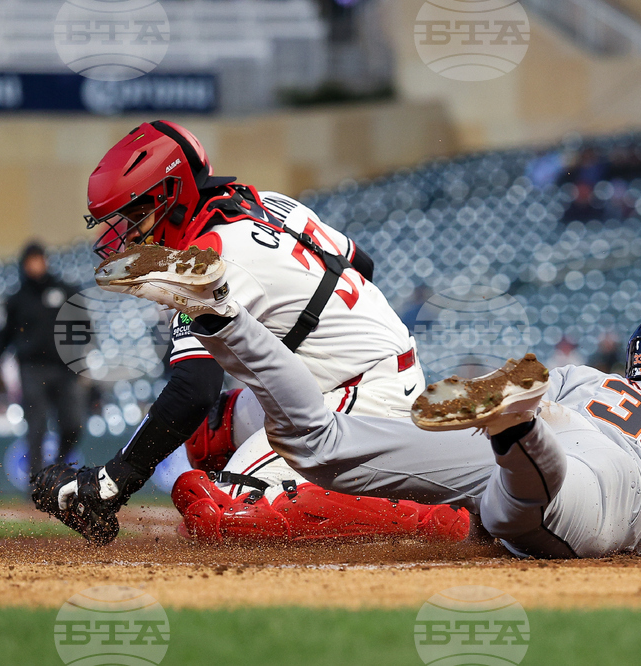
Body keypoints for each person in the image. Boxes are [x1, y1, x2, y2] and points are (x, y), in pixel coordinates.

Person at [83, 244, 641, 557]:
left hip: (528, 430)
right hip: (590, 501)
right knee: (544, 500)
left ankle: (220, 313)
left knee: (323, 444)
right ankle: (510, 425)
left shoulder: (596, 378)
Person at [31, 120, 466, 545]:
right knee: (209, 434)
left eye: (134, 215)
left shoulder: (209, 255)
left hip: (361, 389)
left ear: (172, 195)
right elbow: (360, 263)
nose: (125, 234)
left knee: (219, 513)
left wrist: (110, 483)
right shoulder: (266, 202)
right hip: (354, 376)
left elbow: (193, 390)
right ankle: (335, 486)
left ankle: (441, 516)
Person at [0, 242, 83, 479]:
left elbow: (83, 325)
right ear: (24, 265)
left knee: (73, 423)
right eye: (30, 261)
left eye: (38, 259)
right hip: (32, 369)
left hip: (64, 368)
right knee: (37, 426)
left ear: (46, 260)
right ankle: (36, 483)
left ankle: (60, 467)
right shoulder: (17, 300)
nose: (35, 265)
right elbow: (4, 335)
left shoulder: (65, 290)